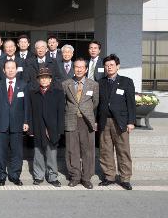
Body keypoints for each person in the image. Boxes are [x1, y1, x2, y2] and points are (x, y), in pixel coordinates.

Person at [97, 54, 136, 190]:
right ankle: (109, 176)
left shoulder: (126, 81)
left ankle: (125, 178)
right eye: (107, 65)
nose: (109, 67)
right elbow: (97, 104)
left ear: (118, 66)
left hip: (120, 122)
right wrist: (96, 121)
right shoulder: (100, 82)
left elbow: (131, 103)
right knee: (105, 150)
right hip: (104, 121)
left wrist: (131, 122)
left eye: (112, 65)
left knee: (123, 150)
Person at [62, 58, 99, 189]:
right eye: (76, 67)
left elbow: (95, 103)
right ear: (73, 68)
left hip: (86, 120)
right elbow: (63, 103)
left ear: (86, 69)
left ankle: (86, 177)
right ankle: (75, 176)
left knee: (88, 150)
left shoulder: (93, 84)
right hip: (71, 119)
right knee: (72, 150)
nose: (79, 69)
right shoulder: (66, 84)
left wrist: (90, 115)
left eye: (81, 67)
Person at [27, 67, 64, 187]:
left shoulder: (58, 93)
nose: (44, 80)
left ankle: (52, 176)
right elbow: (30, 112)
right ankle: (38, 176)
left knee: (51, 154)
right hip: (38, 127)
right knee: (38, 154)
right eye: (41, 77)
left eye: (46, 77)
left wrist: (59, 130)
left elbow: (61, 113)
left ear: (50, 79)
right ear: (38, 80)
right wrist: (31, 129)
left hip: (52, 128)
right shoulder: (33, 94)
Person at [0, 60, 28, 186]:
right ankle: (1, 176)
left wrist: (26, 121)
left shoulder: (23, 85)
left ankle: (15, 175)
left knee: (17, 152)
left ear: (16, 69)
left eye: (13, 68)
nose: (10, 70)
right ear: (4, 70)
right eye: (7, 68)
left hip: (17, 124)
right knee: (1, 152)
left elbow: (26, 106)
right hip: (1, 124)